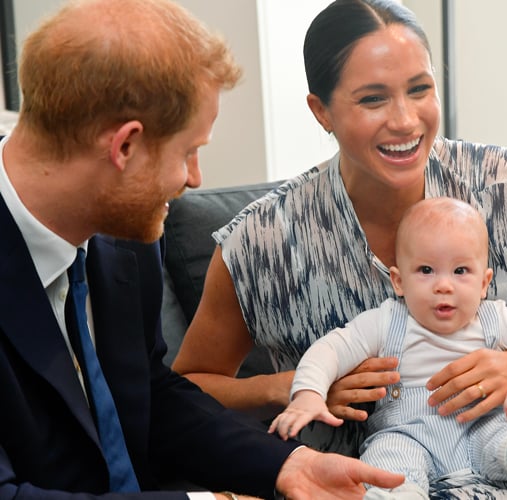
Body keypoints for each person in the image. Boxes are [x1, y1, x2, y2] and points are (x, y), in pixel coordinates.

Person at [173, 0, 507, 497]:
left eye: (420, 89)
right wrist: (289, 385)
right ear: (321, 111)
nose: (405, 120)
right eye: (373, 99)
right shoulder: (260, 241)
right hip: (366, 483)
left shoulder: (505, 187)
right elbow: (185, 391)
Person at [0, 0, 405, 498]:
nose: (194, 179)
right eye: (190, 152)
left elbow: (154, 396)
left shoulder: (124, 240)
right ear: (125, 146)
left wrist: (287, 465)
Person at [269, 197, 507, 499]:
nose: (443, 285)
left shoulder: (496, 319)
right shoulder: (386, 321)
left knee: (505, 432)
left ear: (484, 283)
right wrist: (308, 394)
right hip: (409, 433)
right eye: (426, 270)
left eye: (460, 271)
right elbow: (330, 350)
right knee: (389, 455)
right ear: (399, 280)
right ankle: (397, 492)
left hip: (482, 425)